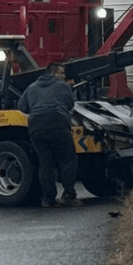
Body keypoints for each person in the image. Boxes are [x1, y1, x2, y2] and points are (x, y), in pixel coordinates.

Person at [17, 62, 80, 208]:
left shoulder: (31, 87)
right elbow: (70, 105)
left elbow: (21, 106)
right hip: (58, 124)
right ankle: (69, 195)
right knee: (67, 160)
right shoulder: (62, 86)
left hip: (36, 128)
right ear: (54, 73)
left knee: (45, 163)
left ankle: (48, 199)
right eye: (62, 73)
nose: (64, 76)